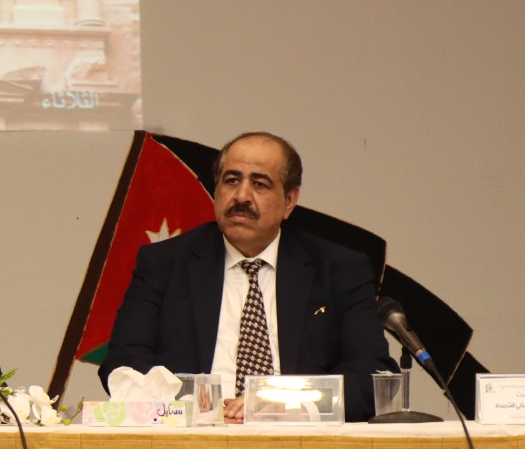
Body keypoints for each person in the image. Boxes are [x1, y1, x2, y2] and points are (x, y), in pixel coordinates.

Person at [98, 132, 396, 423]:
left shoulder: (338, 269)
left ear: (289, 200)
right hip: (193, 439)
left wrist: (284, 402)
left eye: (259, 184)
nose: (241, 196)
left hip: (299, 441)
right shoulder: (165, 263)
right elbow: (124, 362)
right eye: (231, 180)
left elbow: (373, 374)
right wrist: (193, 409)